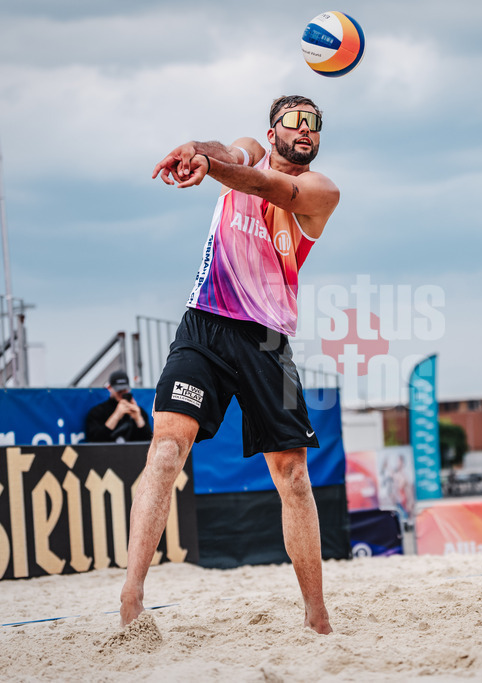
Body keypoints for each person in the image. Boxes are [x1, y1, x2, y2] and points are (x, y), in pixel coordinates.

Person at [119, 95, 339, 635]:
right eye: (295, 120)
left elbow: (263, 186)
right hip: (205, 326)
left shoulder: (319, 191)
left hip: (269, 341)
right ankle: (131, 598)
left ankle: (316, 614)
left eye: (314, 122)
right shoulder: (247, 152)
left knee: (294, 477)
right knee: (167, 449)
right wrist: (198, 150)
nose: (306, 129)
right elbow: (236, 158)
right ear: (273, 129)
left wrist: (212, 165)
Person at [84, 369, 153, 443]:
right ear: (109, 388)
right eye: (119, 390)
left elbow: (148, 442)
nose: (122, 393)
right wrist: (116, 415)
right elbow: (94, 441)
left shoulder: (139, 411)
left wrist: (138, 419)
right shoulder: (97, 412)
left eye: (125, 390)